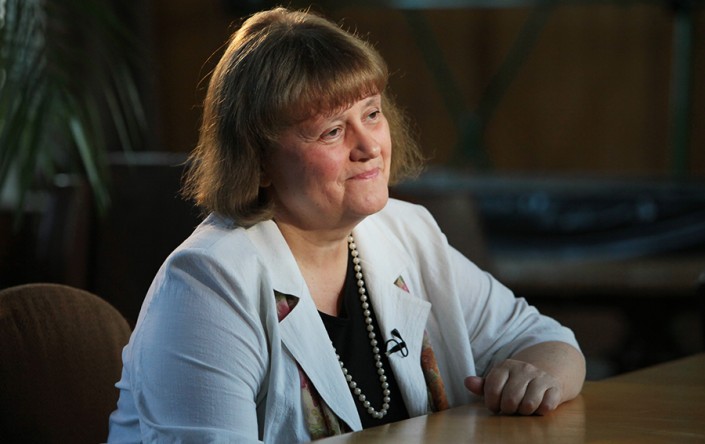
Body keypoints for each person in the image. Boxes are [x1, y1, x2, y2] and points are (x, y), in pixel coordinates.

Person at [108, 7, 585, 443]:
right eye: (332, 131)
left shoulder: (407, 232)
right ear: (259, 159)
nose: (369, 146)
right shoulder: (208, 283)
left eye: (372, 114)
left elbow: (549, 342)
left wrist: (534, 376)